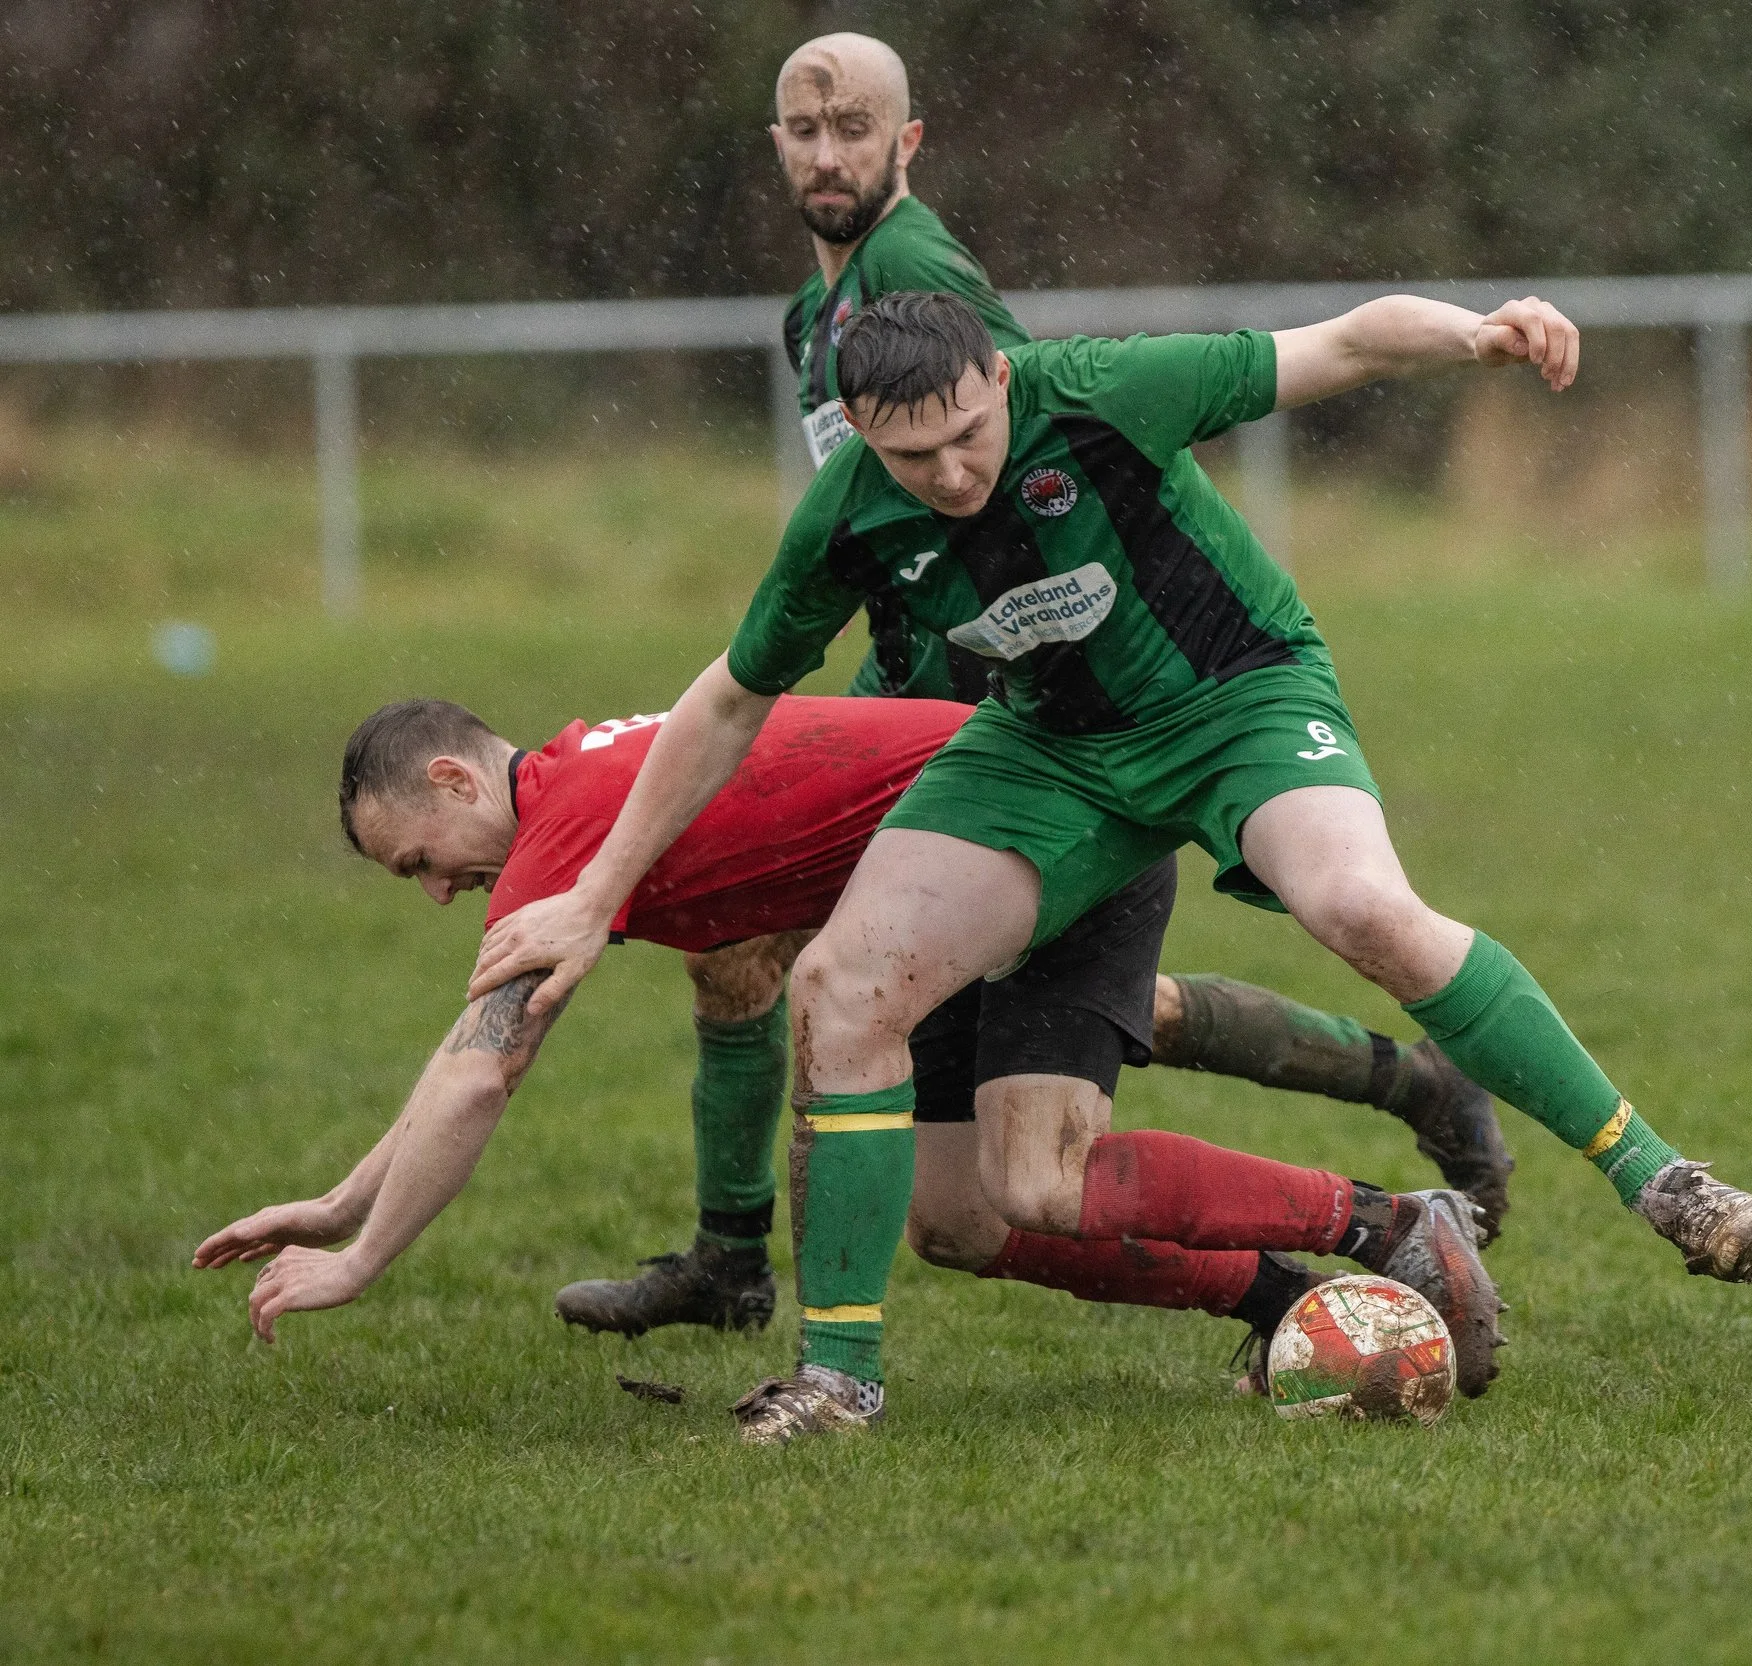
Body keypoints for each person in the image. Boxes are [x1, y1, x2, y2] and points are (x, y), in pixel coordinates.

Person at [470, 287, 1752, 1444]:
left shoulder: (1098, 393)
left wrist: (1479, 332)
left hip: (1237, 699)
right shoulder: (853, 513)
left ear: (1001, 374)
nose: (948, 472)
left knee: (1357, 905)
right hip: (1049, 755)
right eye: (910, 453)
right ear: (862, 434)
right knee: (841, 989)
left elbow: (1335, 345)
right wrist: (593, 898)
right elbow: (725, 700)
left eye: (968, 436)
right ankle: (840, 1380)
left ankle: (1661, 1175)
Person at [545, 34, 1515, 1339]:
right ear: (771, 139)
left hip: (987, 711)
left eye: (854, 129)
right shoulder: (810, 312)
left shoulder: (916, 273)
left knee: (784, 959)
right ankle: (1405, 1095)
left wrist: (1012, 672)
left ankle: (740, 1264)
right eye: (803, 129)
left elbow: (1017, 472)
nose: (828, 154)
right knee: (911, 1048)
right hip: (909, 687)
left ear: (908, 142)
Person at [192, 697, 1499, 1426]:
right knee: (956, 1216)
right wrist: (341, 1200)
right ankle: (1278, 1294)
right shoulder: (573, 796)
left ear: (452, 782)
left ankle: (1387, 1215)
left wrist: (363, 1260)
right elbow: (464, 1055)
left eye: (419, 860)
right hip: (935, 897)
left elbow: (486, 1071)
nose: (432, 893)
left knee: (1041, 1169)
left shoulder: (562, 830)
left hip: (1051, 844)